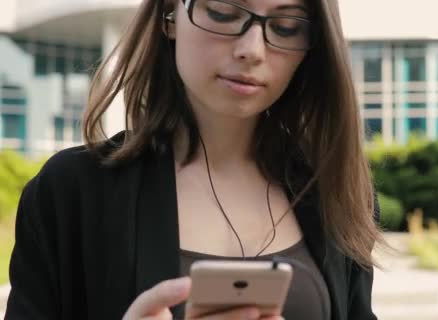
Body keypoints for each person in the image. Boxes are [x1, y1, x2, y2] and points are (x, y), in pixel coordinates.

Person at [5, 0, 384, 319]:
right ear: (170, 14)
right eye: (222, 12)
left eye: (286, 27)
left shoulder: (338, 193)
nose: (252, 49)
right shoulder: (72, 191)